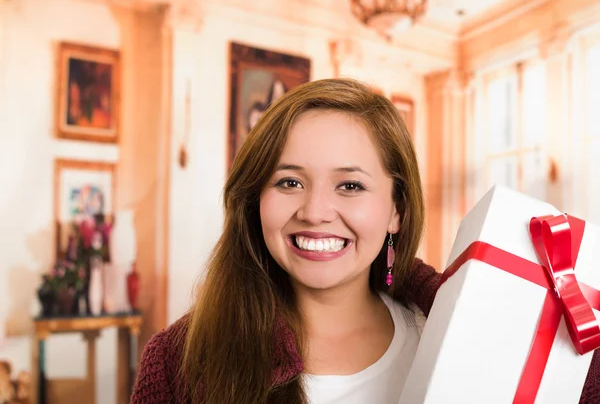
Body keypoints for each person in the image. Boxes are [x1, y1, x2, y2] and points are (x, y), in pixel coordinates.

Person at [129, 78, 600, 404]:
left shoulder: (473, 335)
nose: (314, 211)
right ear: (254, 199)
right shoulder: (177, 361)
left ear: (396, 208)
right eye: (289, 182)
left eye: (350, 186)